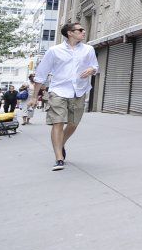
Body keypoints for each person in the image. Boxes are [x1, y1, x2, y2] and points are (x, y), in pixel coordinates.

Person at [33, 22, 98, 171]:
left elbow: (95, 66)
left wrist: (91, 70)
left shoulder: (88, 49)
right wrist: (33, 97)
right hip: (58, 90)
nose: (83, 31)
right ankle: (59, 158)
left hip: (79, 91)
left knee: (73, 123)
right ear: (70, 33)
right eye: (80, 30)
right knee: (58, 122)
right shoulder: (54, 50)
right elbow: (41, 74)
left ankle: (60, 143)